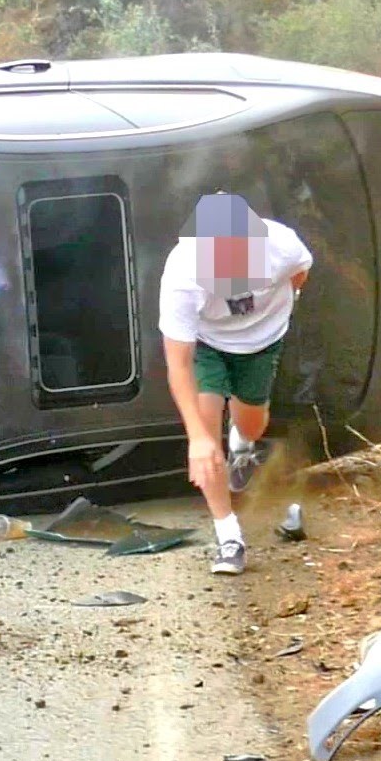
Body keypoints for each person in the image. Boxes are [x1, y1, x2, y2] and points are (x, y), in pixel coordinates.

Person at [158, 192, 312, 576]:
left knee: (252, 423)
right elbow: (177, 364)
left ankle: (241, 443)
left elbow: (300, 273)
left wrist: (285, 303)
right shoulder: (182, 274)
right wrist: (196, 437)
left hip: (262, 340)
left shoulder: (282, 245)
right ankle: (229, 535)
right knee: (206, 429)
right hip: (209, 344)